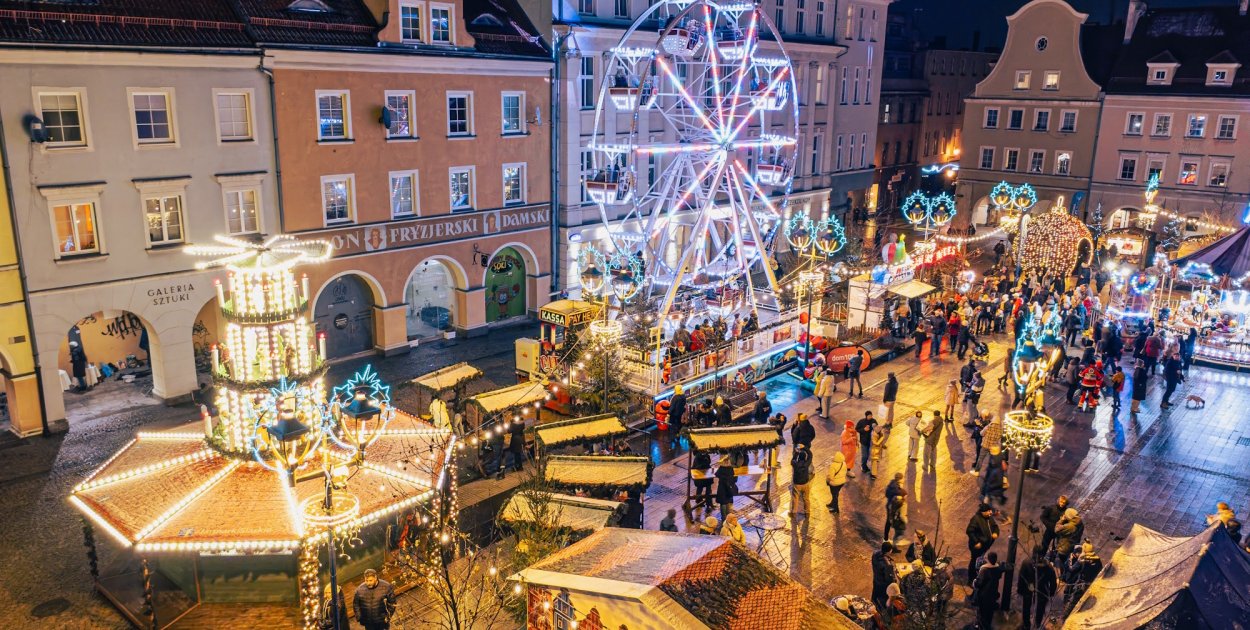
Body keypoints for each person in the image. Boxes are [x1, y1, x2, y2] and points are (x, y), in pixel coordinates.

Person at [966, 503, 1000, 584]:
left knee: (980, 558)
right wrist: (976, 542)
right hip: (977, 546)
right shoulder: (976, 519)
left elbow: (995, 527)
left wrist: (996, 533)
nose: (990, 512)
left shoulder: (989, 518)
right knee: (974, 560)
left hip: (985, 545)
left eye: (990, 510)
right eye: (988, 511)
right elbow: (970, 531)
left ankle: (979, 573)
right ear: (983, 512)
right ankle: (971, 579)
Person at [973, 551, 1004, 629]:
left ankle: (981, 626)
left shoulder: (984, 570)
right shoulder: (998, 568)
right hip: (993, 594)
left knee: (982, 612)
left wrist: (975, 582)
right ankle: (987, 626)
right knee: (990, 612)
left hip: (984, 596)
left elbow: (979, 584)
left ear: (989, 559)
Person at [871, 541, 897, 612]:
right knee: (881, 598)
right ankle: (879, 611)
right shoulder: (887, 565)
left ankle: (872, 604)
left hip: (876, 579)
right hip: (882, 584)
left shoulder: (875, 553)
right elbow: (889, 579)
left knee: (875, 594)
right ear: (889, 551)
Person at [790, 442, 813, 517]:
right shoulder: (807, 464)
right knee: (806, 498)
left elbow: (792, 460)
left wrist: (796, 453)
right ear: (805, 458)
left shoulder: (795, 464)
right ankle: (807, 512)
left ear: (798, 458)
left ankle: (793, 512)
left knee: (795, 498)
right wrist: (804, 448)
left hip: (797, 484)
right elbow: (810, 455)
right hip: (805, 483)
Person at [884, 473, 907, 541]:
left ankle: (886, 538)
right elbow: (902, 493)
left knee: (890, 522)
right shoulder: (896, 489)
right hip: (892, 507)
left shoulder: (891, 484)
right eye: (903, 478)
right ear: (899, 479)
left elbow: (887, 494)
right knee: (893, 521)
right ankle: (894, 538)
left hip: (890, 505)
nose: (904, 479)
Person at [856, 412, 878, 478]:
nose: (870, 417)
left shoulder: (874, 421)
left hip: (871, 442)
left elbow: (876, 429)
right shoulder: (861, 421)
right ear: (866, 416)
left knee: (869, 455)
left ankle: (866, 466)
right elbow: (857, 429)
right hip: (864, 442)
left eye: (871, 415)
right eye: (869, 416)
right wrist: (864, 430)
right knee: (864, 455)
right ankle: (863, 466)